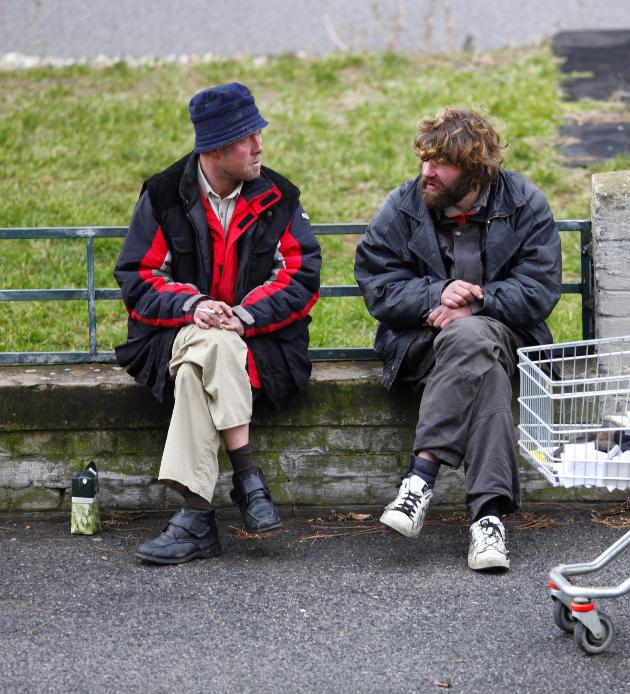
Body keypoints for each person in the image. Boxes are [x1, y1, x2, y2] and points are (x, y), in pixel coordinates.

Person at [114, 82, 321, 565]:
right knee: (209, 343)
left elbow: (301, 276)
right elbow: (140, 277)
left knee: (199, 367)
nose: (259, 146)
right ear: (215, 147)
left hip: (264, 345)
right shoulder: (164, 195)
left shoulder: (279, 195)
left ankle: (196, 517)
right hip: (173, 335)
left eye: (258, 134)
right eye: (247, 136)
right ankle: (247, 478)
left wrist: (243, 316)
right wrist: (195, 307)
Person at [354, 107, 561, 571]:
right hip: (422, 345)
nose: (426, 171)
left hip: (507, 337)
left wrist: (478, 302)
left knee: (475, 338)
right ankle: (488, 521)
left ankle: (420, 478)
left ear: (473, 170)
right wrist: (435, 292)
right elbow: (378, 283)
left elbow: (540, 289)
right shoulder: (404, 205)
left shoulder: (524, 203)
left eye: (439, 164)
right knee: (481, 368)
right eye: (424, 160)